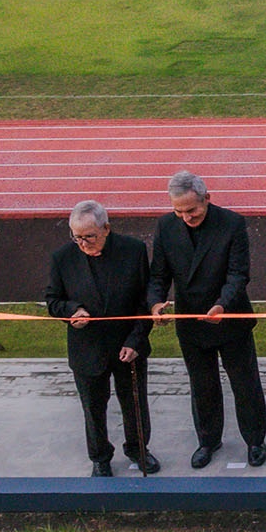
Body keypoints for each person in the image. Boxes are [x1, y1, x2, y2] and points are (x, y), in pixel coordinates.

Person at [148, 170, 266, 469]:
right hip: (191, 323)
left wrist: (222, 305)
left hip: (230, 319)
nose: (186, 216)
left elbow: (238, 274)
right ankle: (208, 440)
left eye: (192, 210)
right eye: (179, 211)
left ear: (207, 199)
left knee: (245, 383)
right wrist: (155, 304)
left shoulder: (232, 223)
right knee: (202, 386)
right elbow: (159, 274)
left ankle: (255, 440)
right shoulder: (165, 227)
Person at [44, 200, 158, 477]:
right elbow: (53, 300)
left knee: (134, 403)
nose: (82, 243)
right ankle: (99, 457)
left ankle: (138, 450)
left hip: (127, 345)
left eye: (89, 237)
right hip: (87, 349)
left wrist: (135, 341)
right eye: (76, 237)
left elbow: (145, 301)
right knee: (93, 408)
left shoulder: (133, 251)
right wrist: (73, 311)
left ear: (106, 228)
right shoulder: (62, 258)